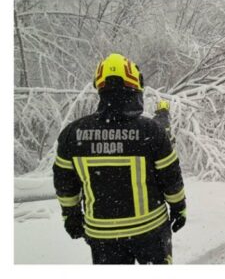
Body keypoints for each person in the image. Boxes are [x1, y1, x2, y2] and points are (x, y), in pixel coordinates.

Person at [53, 54, 186, 264]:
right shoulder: (151, 131)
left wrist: (71, 215)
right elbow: (170, 177)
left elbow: (64, 184)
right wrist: (179, 207)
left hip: (102, 237)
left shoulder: (73, 133)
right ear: (135, 85)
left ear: (100, 86)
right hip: (151, 232)